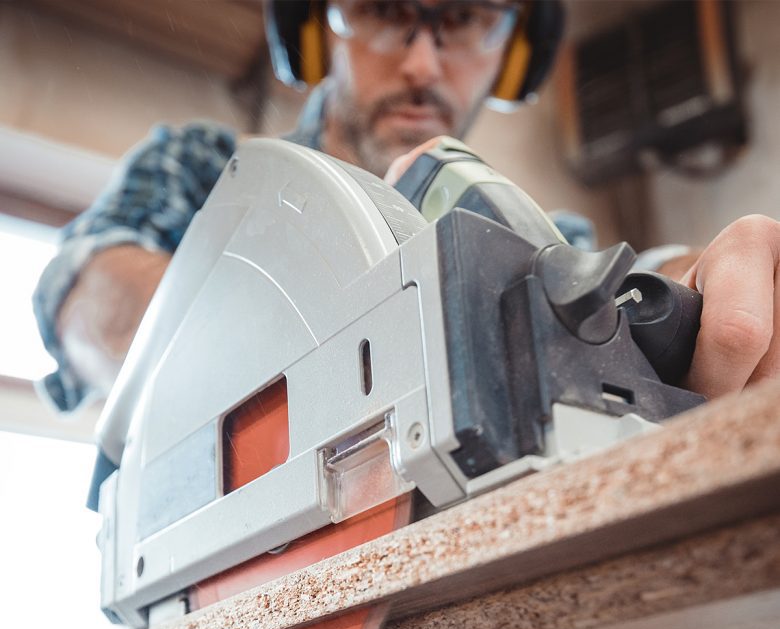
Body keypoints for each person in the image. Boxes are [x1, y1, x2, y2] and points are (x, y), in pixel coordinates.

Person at [33, 0, 779, 413]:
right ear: (316, 30)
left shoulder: (533, 237)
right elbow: (81, 288)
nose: (423, 64)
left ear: (514, 57)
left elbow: (634, 284)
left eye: (464, 19)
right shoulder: (201, 170)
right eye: (386, 10)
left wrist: (720, 292)